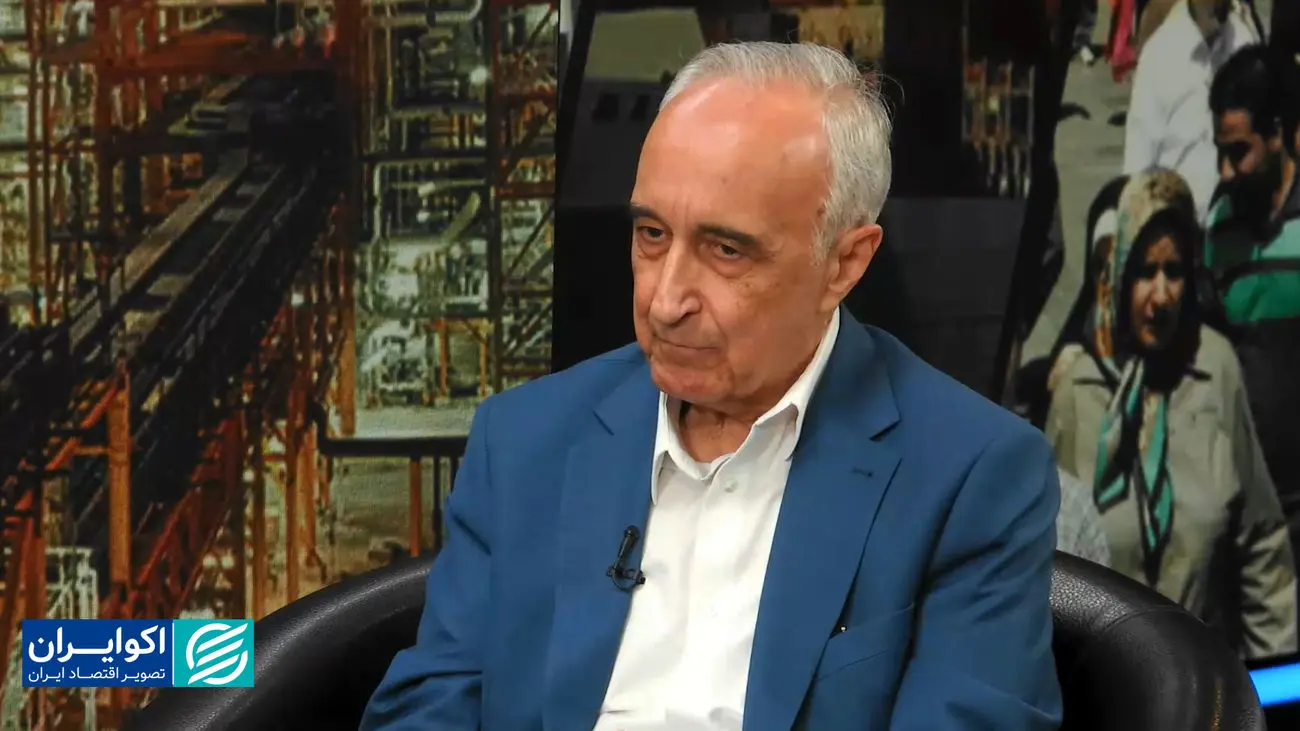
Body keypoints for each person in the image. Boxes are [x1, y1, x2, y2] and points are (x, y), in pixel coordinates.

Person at [360, 42, 1063, 731]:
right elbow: (429, 706)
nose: (665, 301)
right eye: (651, 235)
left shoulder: (972, 477)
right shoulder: (524, 440)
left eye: (726, 250)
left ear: (844, 263)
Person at [1046, 169, 1296, 658]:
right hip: (1107, 681)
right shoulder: (1076, 390)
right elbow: (1048, 571)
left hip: (1203, 681)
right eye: (1145, 272)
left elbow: (1263, 548)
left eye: (1174, 272)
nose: (1161, 296)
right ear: (1119, 272)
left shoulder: (1215, 369)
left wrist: (1275, 680)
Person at [1205, 43, 1300, 565]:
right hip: (1247, 515)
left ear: (1277, 133)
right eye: (1219, 152)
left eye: (1239, 151)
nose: (1225, 171)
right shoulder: (1218, 227)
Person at [1124, 0, 1260, 220]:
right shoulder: (1159, 56)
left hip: (1238, 223)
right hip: (1178, 225)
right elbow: (1137, 169)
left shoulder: (1244, 42)